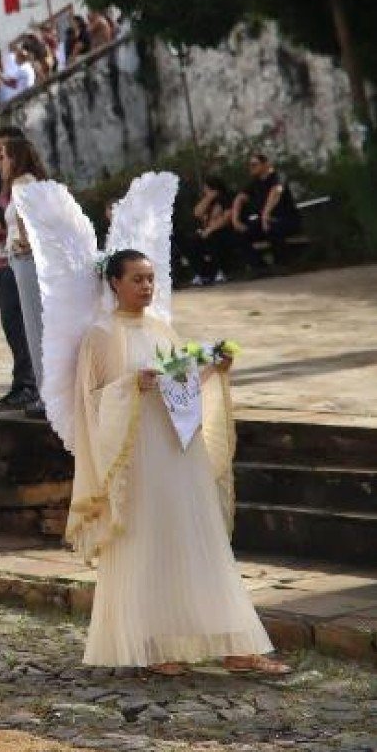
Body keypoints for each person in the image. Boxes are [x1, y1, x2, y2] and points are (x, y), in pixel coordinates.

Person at [70, 251, 287, 675]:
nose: (147, 287)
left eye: (151, 279)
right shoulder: (98, 335)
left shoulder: (160, 328)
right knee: (150, 544)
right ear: (114, 282)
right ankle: (154, 644)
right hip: (137, 459)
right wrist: (132, 383)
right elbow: (89, 401)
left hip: (176, 450)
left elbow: (180, 384)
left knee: (198, 540)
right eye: (137, 279)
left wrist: (214, 368)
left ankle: (236, 645)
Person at [0, 136, 48, 416]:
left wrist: (27, 241)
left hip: (24, 258)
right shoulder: (29, 181)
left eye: (4, 156)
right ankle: (40, 387)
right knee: (26, 321)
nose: (1, 162)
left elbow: (27, 218)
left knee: (29, 322)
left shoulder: (22, 182)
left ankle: (41, 389)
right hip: (20, 257)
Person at [231, 153, 301, 270]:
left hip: (286, 219)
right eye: (250, 165)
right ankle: (259, 267)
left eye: (254, 165)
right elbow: (239, 199)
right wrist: (235, 220)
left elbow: (276, 192)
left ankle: (283, 263)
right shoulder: (254, 183)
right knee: (239, 234)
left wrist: (265, 215)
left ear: (265, 164)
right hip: (265, 220)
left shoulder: (278, 177)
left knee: (272, 227)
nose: (251, 168)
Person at [180, 176, 238, 285]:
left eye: (206, 188)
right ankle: (202, 274)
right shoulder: (208, 200)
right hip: (208, 232)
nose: (204, 190)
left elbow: (226, 218)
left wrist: (210, 229)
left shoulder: (226, 198)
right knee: (190, 242)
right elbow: (197, 213)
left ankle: (220, 272)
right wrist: (208, 198)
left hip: (225, 231)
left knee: (214, 238)